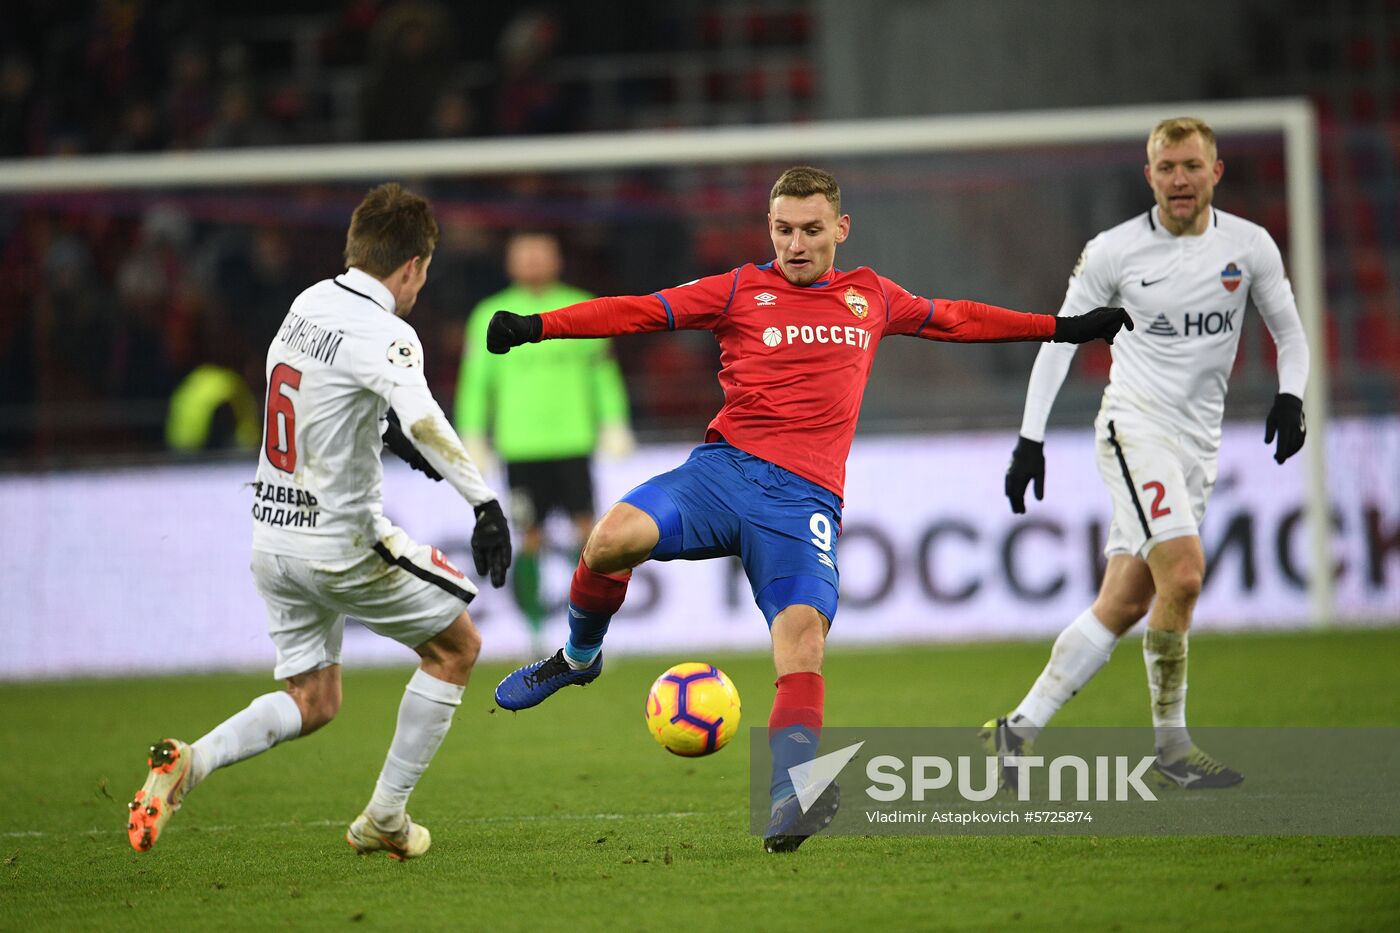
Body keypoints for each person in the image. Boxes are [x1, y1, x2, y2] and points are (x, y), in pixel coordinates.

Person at [485, 166, 1131, 853]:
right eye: (784, 230)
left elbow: (959, 318)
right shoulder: (738, 289)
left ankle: (791, 796)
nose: (796, 244)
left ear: (840, 229)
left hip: (802, 502)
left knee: (803, 641)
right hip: (723, 474)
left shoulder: (872, 297)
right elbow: (640, 310)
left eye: (811, 230)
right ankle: (579, 657)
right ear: (770, 229)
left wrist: (1062, 328)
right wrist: (536, 326)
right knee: (610, 537)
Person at [126, 183, 512, 859]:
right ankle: (386, 815)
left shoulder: (309, 302)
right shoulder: (389, 330)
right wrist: (482, 502)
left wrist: (382, 438)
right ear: (413, 267)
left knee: (314, 697)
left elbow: (326, 397)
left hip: (272, 538)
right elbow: (423, 417)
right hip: (339, 542)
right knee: (457, 648)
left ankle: (194, 759)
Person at [987, 117, 1310, 791]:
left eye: (1192, 165)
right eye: (1167, 167)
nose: (1180, 179)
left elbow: (1290, 331)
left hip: (1199, 442)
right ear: (1149, 175)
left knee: (1127, 600)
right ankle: (1172, 748)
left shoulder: (1249, 248)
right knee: (1185, 575)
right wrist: (1029, 438)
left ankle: (1017, 729)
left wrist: (1292, 395)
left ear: (1215, 172)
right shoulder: (1114, 251)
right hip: (1133, 428)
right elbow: (1061, 338)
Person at [455, 230, 634, 657]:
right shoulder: (487, 315)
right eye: (525, 255)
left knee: (589, 538)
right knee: (530, 538)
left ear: (557, 259)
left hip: (573, 441)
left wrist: (614, 420)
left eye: (542, 254)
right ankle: (536, 633)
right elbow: (476, 382)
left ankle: (586, 637)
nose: (534, 262)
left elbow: (602, 372)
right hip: (521, 446)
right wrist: (472, 432)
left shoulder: (582, 305)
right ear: (510, 262)